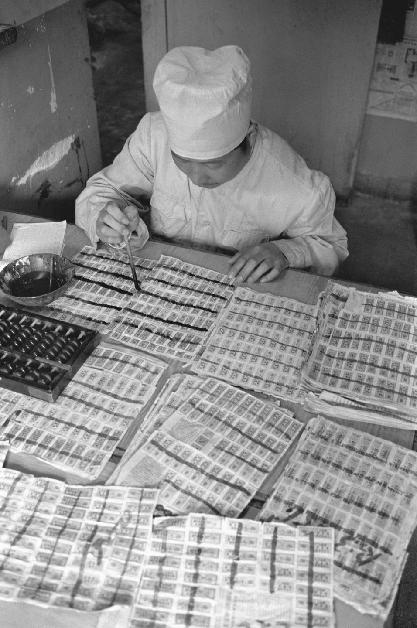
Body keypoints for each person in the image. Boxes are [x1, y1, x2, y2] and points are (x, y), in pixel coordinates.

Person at [75, 45, 348, 283]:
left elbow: (332, 245)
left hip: (238, 288)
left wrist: (285, 252)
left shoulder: (290, 179)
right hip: (163, 276)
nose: (196, 177)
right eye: (183, 161)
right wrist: (105, 217)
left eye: (214, 164)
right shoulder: (153, 137)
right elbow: (100, 191)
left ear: (245, 141)